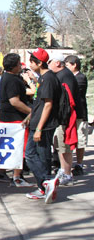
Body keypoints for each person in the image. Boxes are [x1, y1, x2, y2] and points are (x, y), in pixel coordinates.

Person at [22, 48, 61, 204]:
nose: (30, 64)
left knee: (36, 156)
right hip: (36, 123)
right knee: (34, 155)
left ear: (39, 63)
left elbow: (48, 105)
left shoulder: (50, 79)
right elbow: (39, 103)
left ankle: (46, 182)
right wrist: (29, 117)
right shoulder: (43, 79)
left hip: (43, 127)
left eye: (32, 61)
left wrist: (39, 128)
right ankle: (44, 186)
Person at [48, 53, 84, 186]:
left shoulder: (65, 76)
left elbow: (67, 100)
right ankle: (63, 170)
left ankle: (67, 174)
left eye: (50, 61)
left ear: (57, 63)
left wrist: (64, 119)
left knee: (65, 146)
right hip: (61, 118)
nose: (48, 64)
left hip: (65, 119)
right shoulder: (62, 75)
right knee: (59, 146)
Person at [0, 53, 33, 187]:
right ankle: (17, 177)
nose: (20, 65)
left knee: (6, 148)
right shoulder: (12, 79)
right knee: (19, 149)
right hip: (15, 120)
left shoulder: (7, 77)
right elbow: (15, 101)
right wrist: (32, 112)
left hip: (6, 118)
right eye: (19, 63)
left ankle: (0, 173)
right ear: (12, 66)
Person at [65, 55, 88, 176]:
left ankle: (79, 164)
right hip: (70, 114)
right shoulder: (70, 77)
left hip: (79, 114)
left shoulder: (80, 78)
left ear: (74, 65)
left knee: (80, 140)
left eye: (67, 65)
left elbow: (73, 92)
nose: (66, 67)